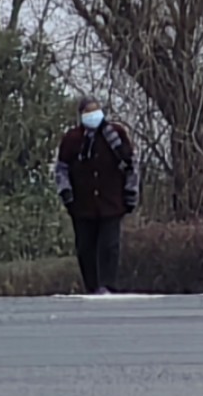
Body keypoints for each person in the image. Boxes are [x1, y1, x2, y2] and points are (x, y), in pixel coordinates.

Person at [53, 96, 139, 295]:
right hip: (82, 205)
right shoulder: (72, 139)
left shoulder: (116, 135)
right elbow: (61, 168)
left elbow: (131, 165)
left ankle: (107, 284)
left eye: (95, 110)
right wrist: (66, 193)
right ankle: (91, 286)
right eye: (88, 112)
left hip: (112, 202)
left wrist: (130, 193)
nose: (93, 115)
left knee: (109, 246)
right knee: (85, 248)